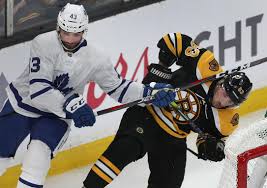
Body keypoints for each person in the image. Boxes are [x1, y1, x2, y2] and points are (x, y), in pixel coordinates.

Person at [0, 3, 176, 188]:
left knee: (38, 158)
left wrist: (148, 92)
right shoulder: (42, 43)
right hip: (22, 104)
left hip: (56, 115)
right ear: (58, 27)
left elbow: (118, 88)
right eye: (65, 32)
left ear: (84, 31)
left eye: (75, 34)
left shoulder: (96, 57)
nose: (69, 39)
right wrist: (73, 103)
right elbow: (39, 90)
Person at [82, 32, 253, 188]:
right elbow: (174, 40)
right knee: (125, 149)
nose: (222, 100)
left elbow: (211, 138)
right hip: (147, 114)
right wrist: (162, 67)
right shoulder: (206, 66)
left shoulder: (227, 121)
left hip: (173, 138)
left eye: (230, 100)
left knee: (170, 182)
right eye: (224, 91)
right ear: (222, 82)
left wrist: (209, 147)